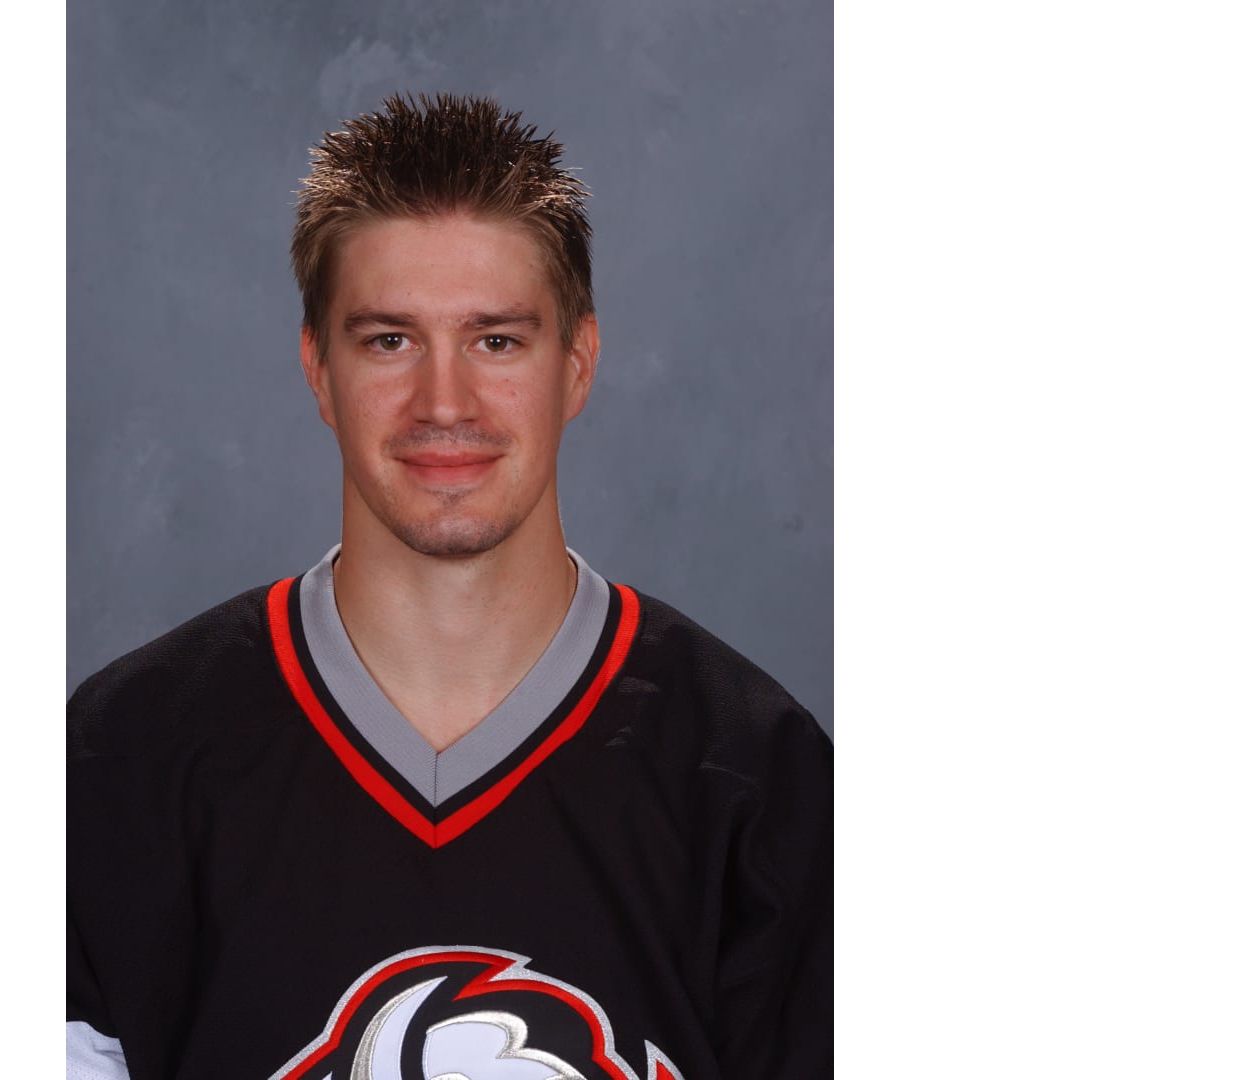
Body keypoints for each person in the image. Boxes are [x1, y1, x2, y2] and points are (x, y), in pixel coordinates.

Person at [68, 93, 832, 1080]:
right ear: (317, 367)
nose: (444, 403)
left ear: (579, 363)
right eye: (390, 340)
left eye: (496, 340)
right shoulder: (122, 761)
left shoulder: (759, 781)